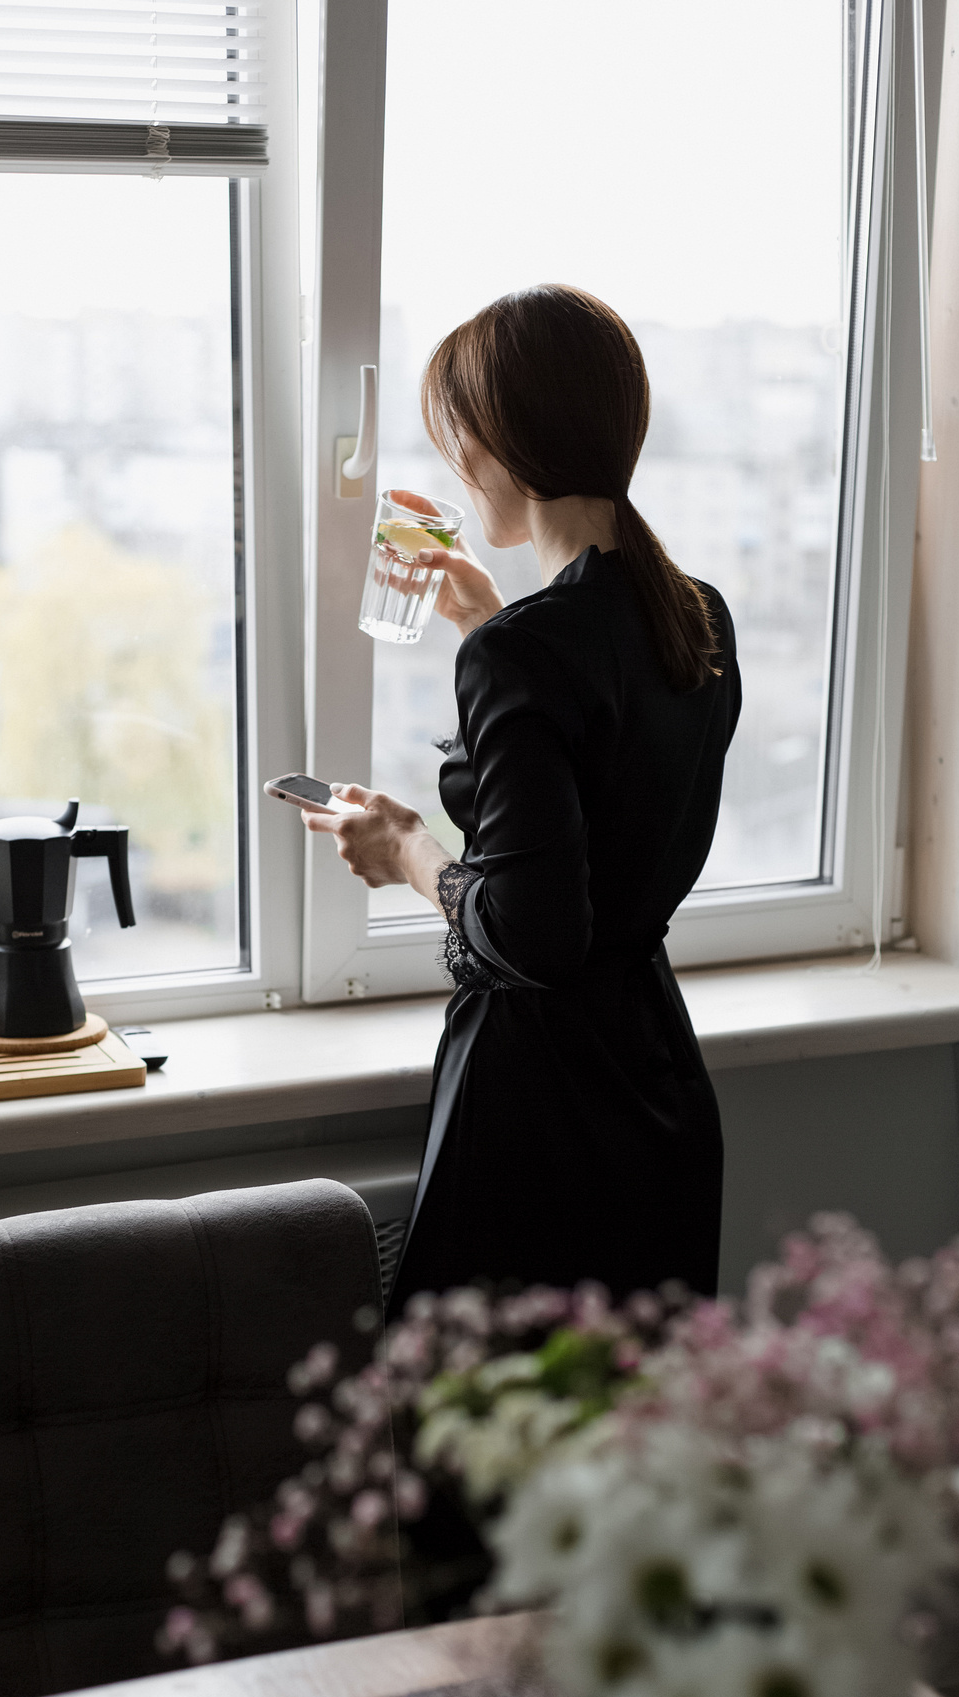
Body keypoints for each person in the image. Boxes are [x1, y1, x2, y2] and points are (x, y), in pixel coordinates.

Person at [307, 285, 740, 1308]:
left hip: (544, 1111)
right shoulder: (696, 612)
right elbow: (610, 781)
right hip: (655, 1084)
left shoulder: (523, 654)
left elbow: (532, 935)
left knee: (481, 1439)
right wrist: (486, 626)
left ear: (497, 446)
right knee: (627, 1441)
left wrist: (404, 846)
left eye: (455, 438)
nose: (454, 462)